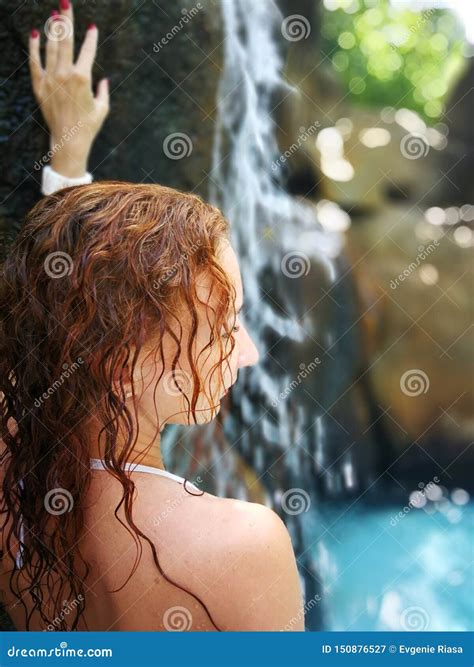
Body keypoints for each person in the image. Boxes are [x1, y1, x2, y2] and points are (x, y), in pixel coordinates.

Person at [0, 2, 305, 631]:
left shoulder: (13, 490)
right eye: (224, 325)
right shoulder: (242, 547)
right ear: (119, 364)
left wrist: (67, 158)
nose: (246, 352)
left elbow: (59, 306)